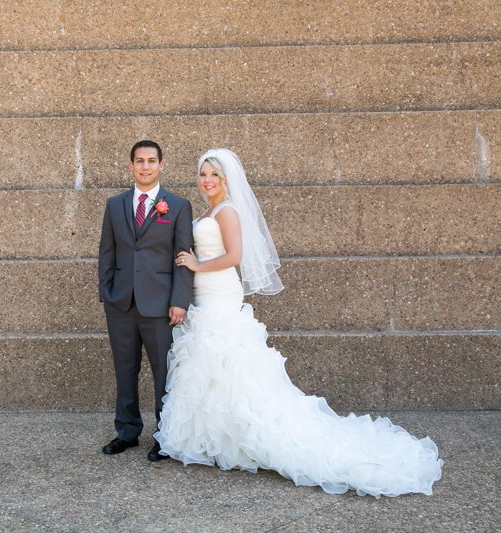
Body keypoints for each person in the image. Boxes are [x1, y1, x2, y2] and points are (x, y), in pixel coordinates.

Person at [154, 148, 443, 498]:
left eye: (213, 174)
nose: (207, 180)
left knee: (227, 359)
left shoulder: (227, 210)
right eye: (203, 174)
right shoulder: (208, 210)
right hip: (204, 295)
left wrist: (198, 266)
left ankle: (247, 438)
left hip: (220, 293)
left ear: (227, 179)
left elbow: (235, 256)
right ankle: (218, 438)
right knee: (211, 365)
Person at [98, 140, 194, 461]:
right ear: (131, 166)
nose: (145, 166)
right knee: (124, 370)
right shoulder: (115, 205)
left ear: (161, 165)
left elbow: (183, 258)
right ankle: (127, 431)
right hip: (121, 303)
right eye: (139, 161)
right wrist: (106, 292)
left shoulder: (178, 206)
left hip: (161, 305)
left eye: (152, 161)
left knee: (162, 373)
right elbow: (106, 253)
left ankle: (164, 435)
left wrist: (179, 301)